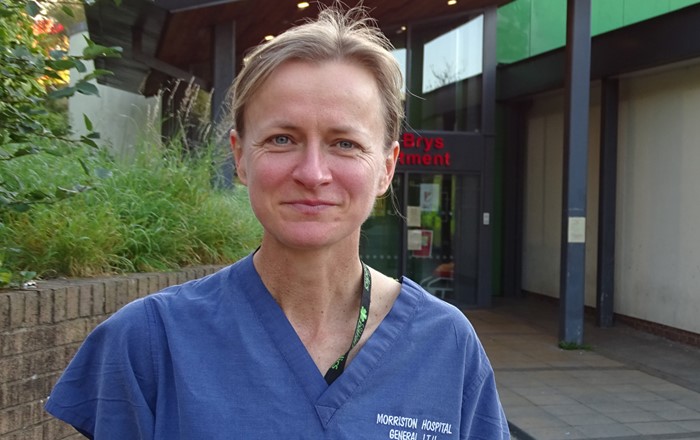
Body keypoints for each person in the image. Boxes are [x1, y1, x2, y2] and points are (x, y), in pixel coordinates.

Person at [45, 5, 510, 439]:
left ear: (386, 167)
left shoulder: (446, 344)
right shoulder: (149, 343)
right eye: (282, 138)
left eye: (345, 143)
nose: (312, 173)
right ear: (240, 157)